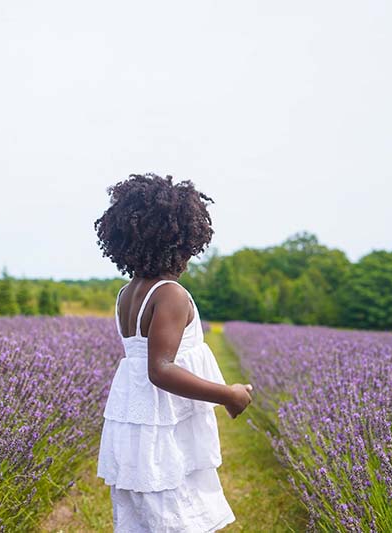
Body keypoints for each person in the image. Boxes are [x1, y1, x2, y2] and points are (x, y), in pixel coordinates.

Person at [94, 173, 253, 532]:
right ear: (179, 241)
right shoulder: (170, 294)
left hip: (142, 421)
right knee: (174, 513)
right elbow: (161, 369)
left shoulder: (127, 293)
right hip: (161, 427)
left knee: (147, 514)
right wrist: (228, 394)